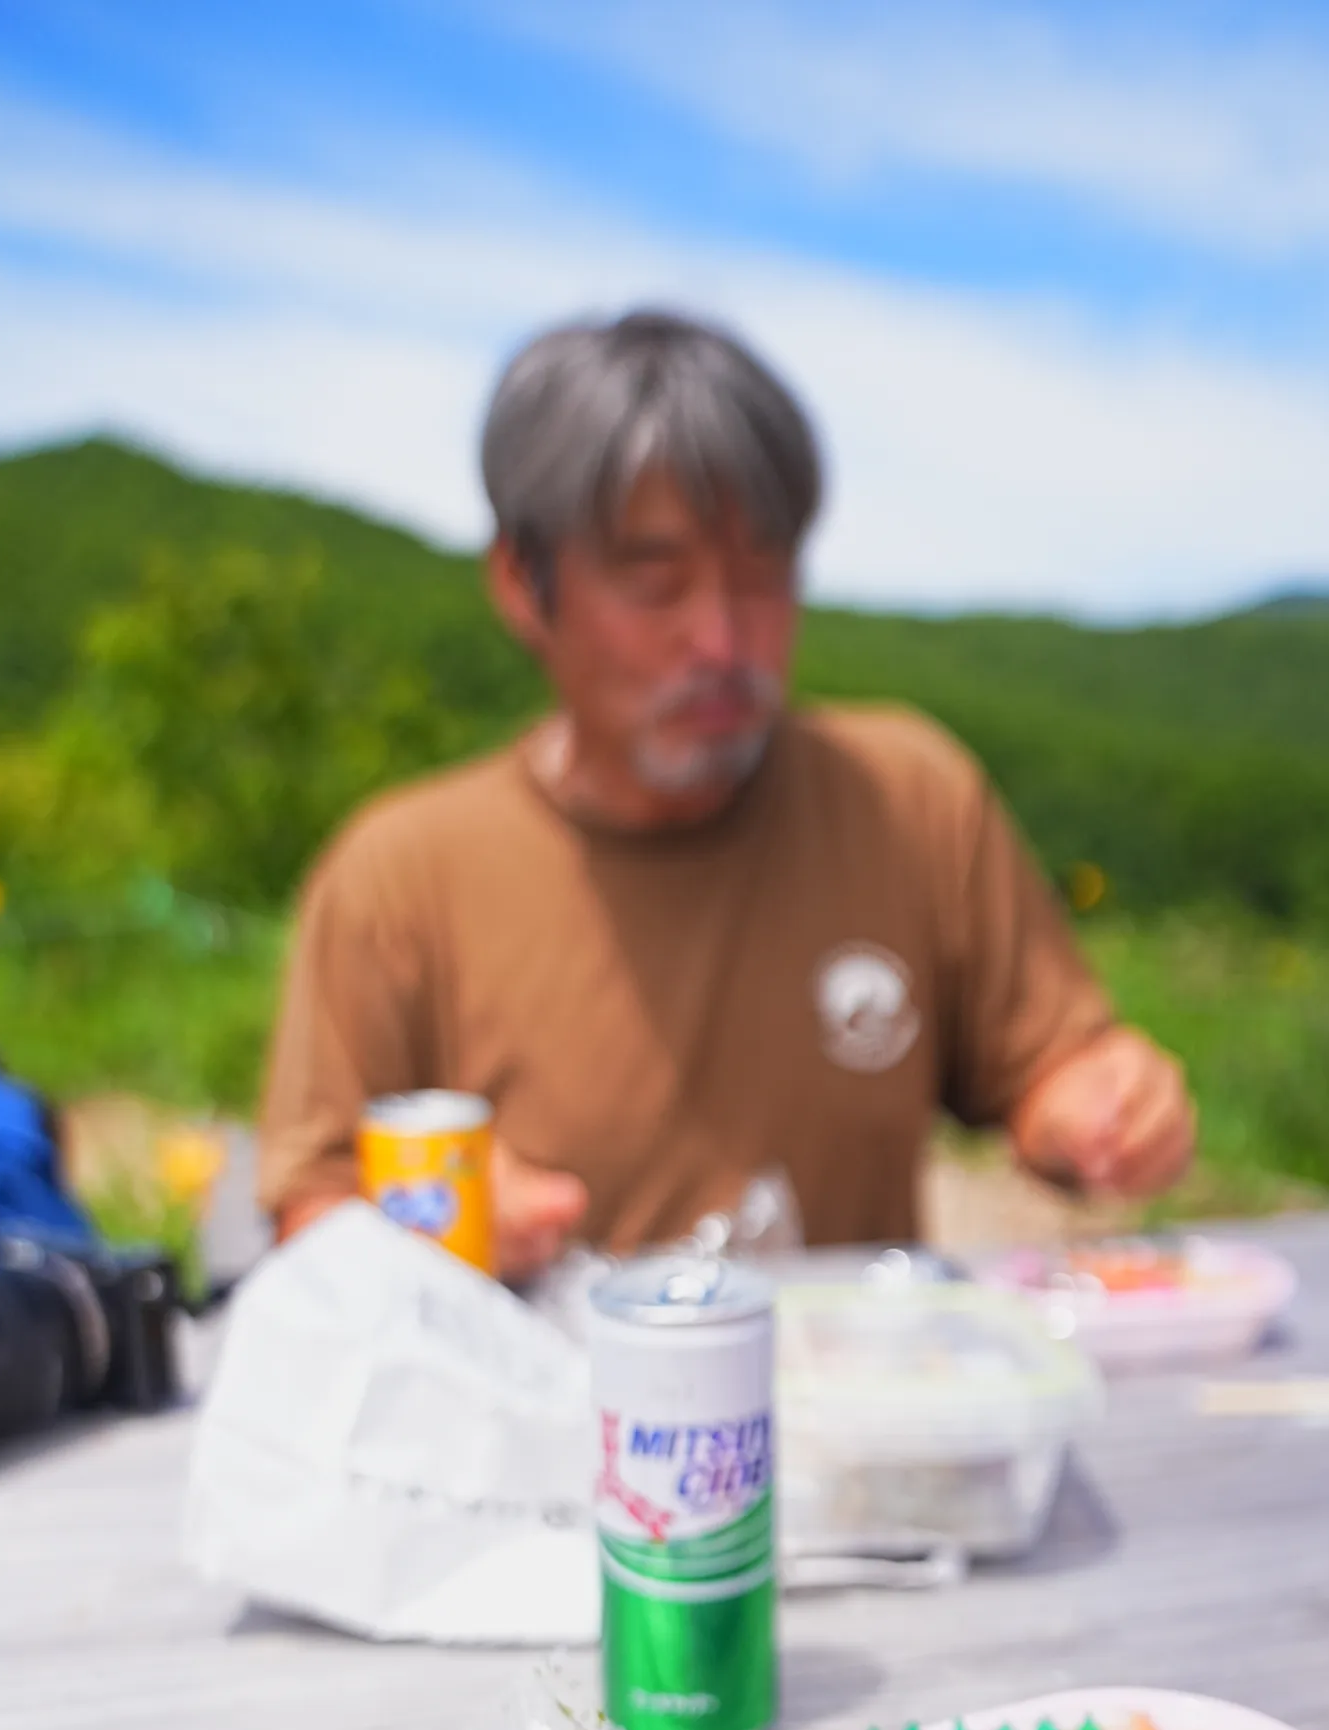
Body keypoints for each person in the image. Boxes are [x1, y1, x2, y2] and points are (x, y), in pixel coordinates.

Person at [259, 310, 1194, 1275]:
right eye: (655, 584)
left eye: (761, 577)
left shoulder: (907, 798)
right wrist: (437, 1223)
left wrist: (1101, 1112)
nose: (720, 639)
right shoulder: (400, 878)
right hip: (548, 1414)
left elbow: (1042, 1070)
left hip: (863, 1401)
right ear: (521, 582)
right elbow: (310, 1216)